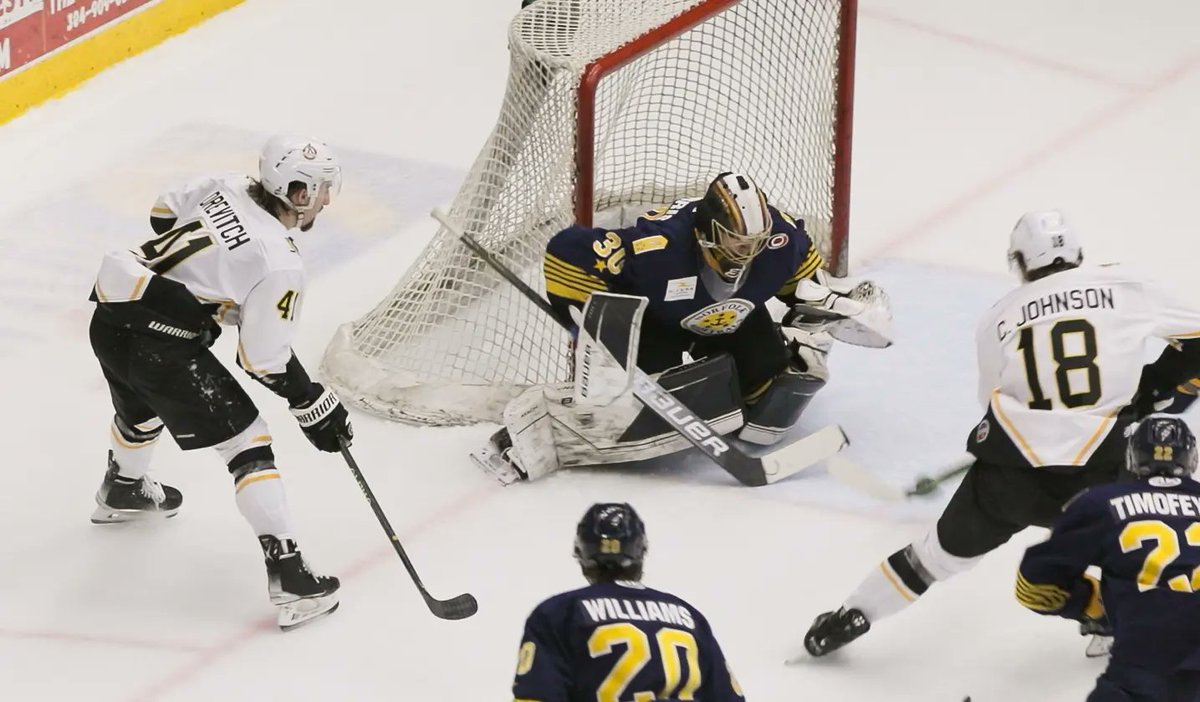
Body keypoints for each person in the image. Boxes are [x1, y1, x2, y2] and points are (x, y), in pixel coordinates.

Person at [803, 209, 1200, 657]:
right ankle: (1125, 615)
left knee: (934, 557)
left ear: (1020, 261)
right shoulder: (1126, 285)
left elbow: (992, 399)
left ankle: (850, 617)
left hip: (1014, 476)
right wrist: (1151, 390)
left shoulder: (997, 317)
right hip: (1105, 465)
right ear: (1078, 255)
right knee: (1149, 534)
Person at [88, 135, 353, 630]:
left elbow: (162, 214)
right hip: (163, 348)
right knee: (248, 447)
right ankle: (292, 577)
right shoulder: (281, 263)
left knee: (140, 406)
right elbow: (262, 358)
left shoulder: (227, 184)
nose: (325, 201)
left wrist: (208, 274)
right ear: (296, 194)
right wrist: (312, 403)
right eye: (318, 191)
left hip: (112, 312)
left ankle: (123, 487)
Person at [474, 172, 892, 484]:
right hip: (660, 325)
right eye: (737, 243)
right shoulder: (657, 248)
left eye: (756, 243)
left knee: (775, 407)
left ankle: (731, 383)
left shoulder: (779, 241)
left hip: (737, 320)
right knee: (634, 415)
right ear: (709, 231)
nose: (749, 253)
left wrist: (834, 309)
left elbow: (805, 285)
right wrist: (588, 328)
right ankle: (550, 429)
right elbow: (567, 252)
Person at [1016, 415, 1200, 702]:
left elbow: (1034, 586)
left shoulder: (1098, 503)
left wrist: (1094, 605)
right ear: (1191, 458)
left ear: (1132, 457)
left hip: (1143, 670)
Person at [510, 503, 746, 701]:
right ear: (641, 552)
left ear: (581, 554)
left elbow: (536, 697)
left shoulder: (558, 613)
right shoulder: (688, 616)